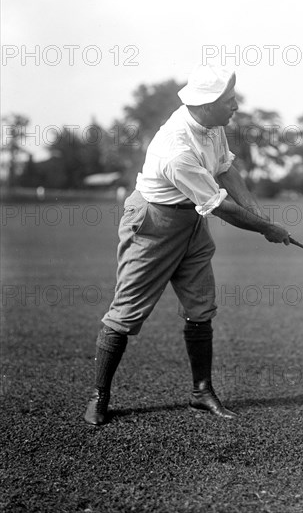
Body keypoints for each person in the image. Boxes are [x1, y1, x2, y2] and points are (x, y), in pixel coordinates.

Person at [84, 64, 290, 426]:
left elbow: (225, 170)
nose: (236, 105)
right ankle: (99, 396)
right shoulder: (175, 148)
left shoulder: (213, 126)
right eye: (229, 100)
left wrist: (260, 215)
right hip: (153, 223)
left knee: (201, 306)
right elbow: (219, 206)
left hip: (191, 221)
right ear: (207, 103)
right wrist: (265, 229)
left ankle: (201, 391)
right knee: (126, 312)